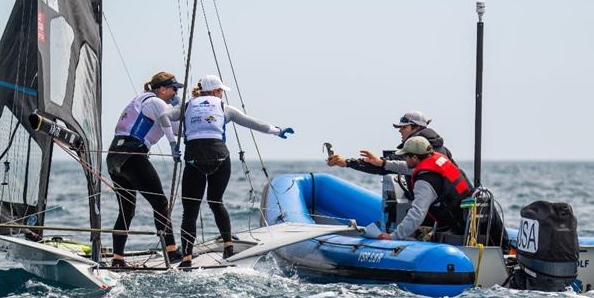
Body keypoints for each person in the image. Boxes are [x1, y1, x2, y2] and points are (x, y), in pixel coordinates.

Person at [161, 74, 294, 268]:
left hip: (193, 157)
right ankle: (228, 246)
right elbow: (252, 122)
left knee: (190, 210)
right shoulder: (224, 108)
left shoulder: (187, 106)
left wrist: (173, 145)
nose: (222, 94)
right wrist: (277, 130)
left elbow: (162, 116)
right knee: (216, 202)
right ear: (215, 91)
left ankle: (187, 258)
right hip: (219, 156)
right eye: (221, 91)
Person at [106, 71, 184, 268]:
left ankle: (117, 259)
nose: (176, 92)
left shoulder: (141, 100)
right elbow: (170, 126)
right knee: (160, 202)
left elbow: (174, 126)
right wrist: (174, 145)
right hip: (132, 155)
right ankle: (172, 251)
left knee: (127, 210)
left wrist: (177, 110)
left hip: (114, 156)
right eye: (174, 89)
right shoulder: (156, 102)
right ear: (162, 89)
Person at [360, 136, 472, 241]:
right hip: (467, 219)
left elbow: (417, 214)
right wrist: (383, 163)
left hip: (457, 228)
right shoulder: (437, 161)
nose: (404, 158)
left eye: (405, 156)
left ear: (414, 157)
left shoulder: (425, 182)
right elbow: (407, 167)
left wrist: (393, 236)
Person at [327, 110, 457, 174]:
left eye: (404, 127)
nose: (400, 131)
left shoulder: (413, 150)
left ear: (416, 128)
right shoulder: (443, 150)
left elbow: (384, 167)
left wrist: (347, 163)